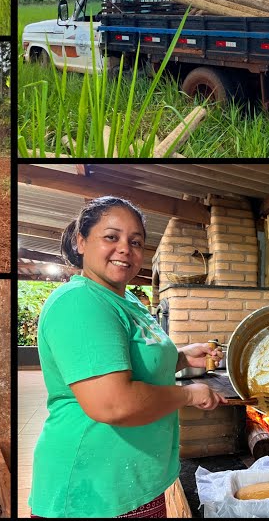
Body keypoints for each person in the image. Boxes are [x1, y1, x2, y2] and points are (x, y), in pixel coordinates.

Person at [29, 196, 225, 518]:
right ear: (81, 241)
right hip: (93, 492)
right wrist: (189, 394)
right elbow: (114, 403)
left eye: (135, 242)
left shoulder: (127, 300)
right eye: (111, 237)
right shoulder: (80, 302)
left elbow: (132, 361)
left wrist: (182, 357)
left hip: (135, 481)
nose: (125, 248)